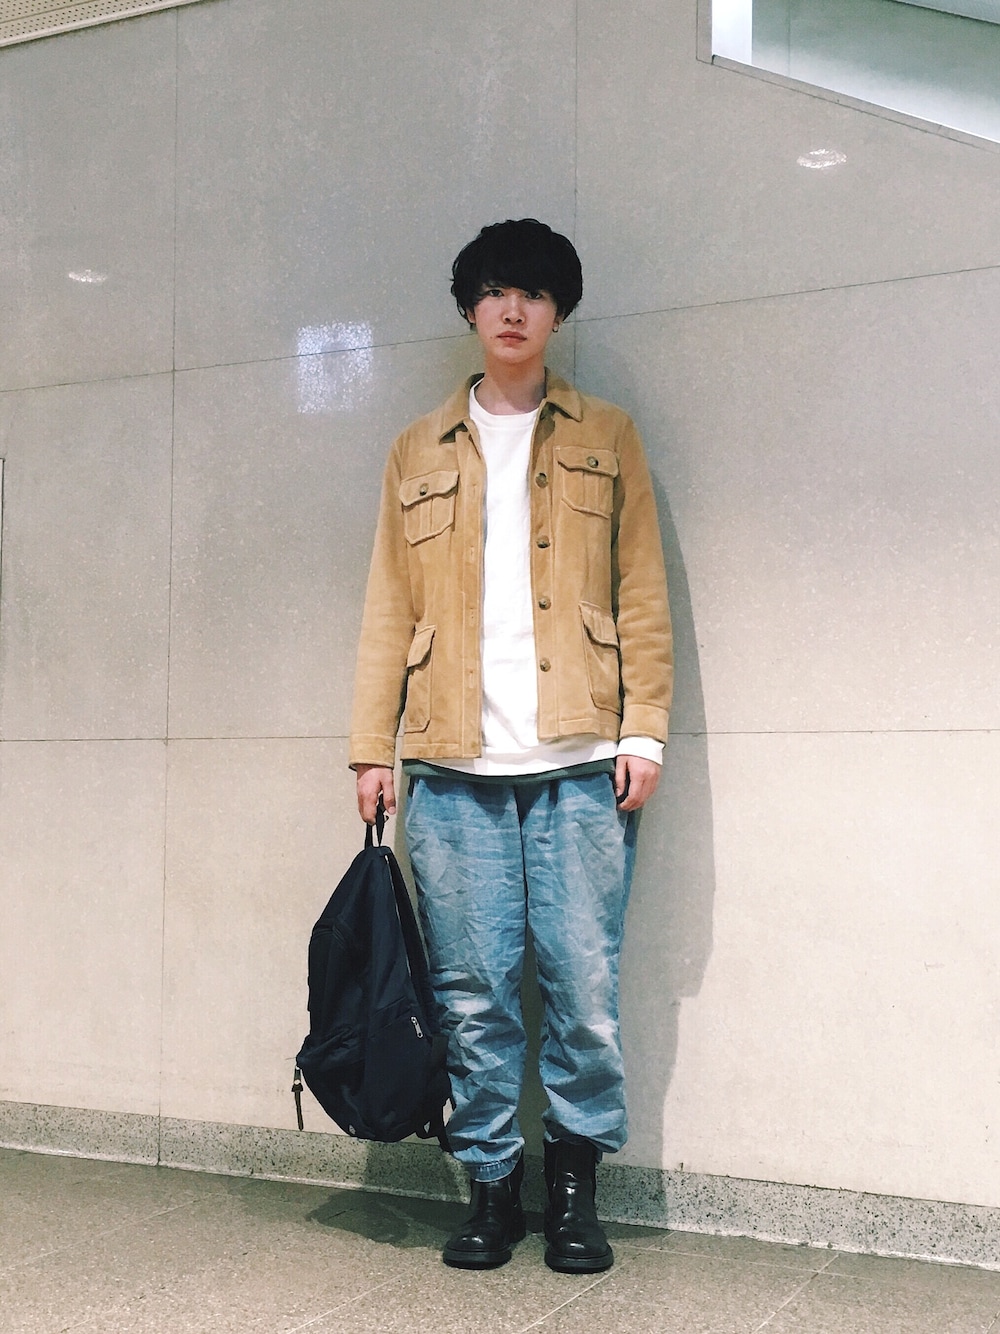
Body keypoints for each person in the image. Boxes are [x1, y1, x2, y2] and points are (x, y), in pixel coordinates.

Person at [349, 218, 672, 1272]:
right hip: (451, 766)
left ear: (557, 311)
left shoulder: (606, 434)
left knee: (583, 988)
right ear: (470, 309)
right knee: (473, 993)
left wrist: (643, 728)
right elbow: (387, 607)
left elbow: (640, 589)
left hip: (579, 758)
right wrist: (371, 747)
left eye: (532, 292)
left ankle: (574, 1193)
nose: (513, 309)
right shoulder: (416, 448)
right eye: (494, 291)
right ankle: (490, 1189)